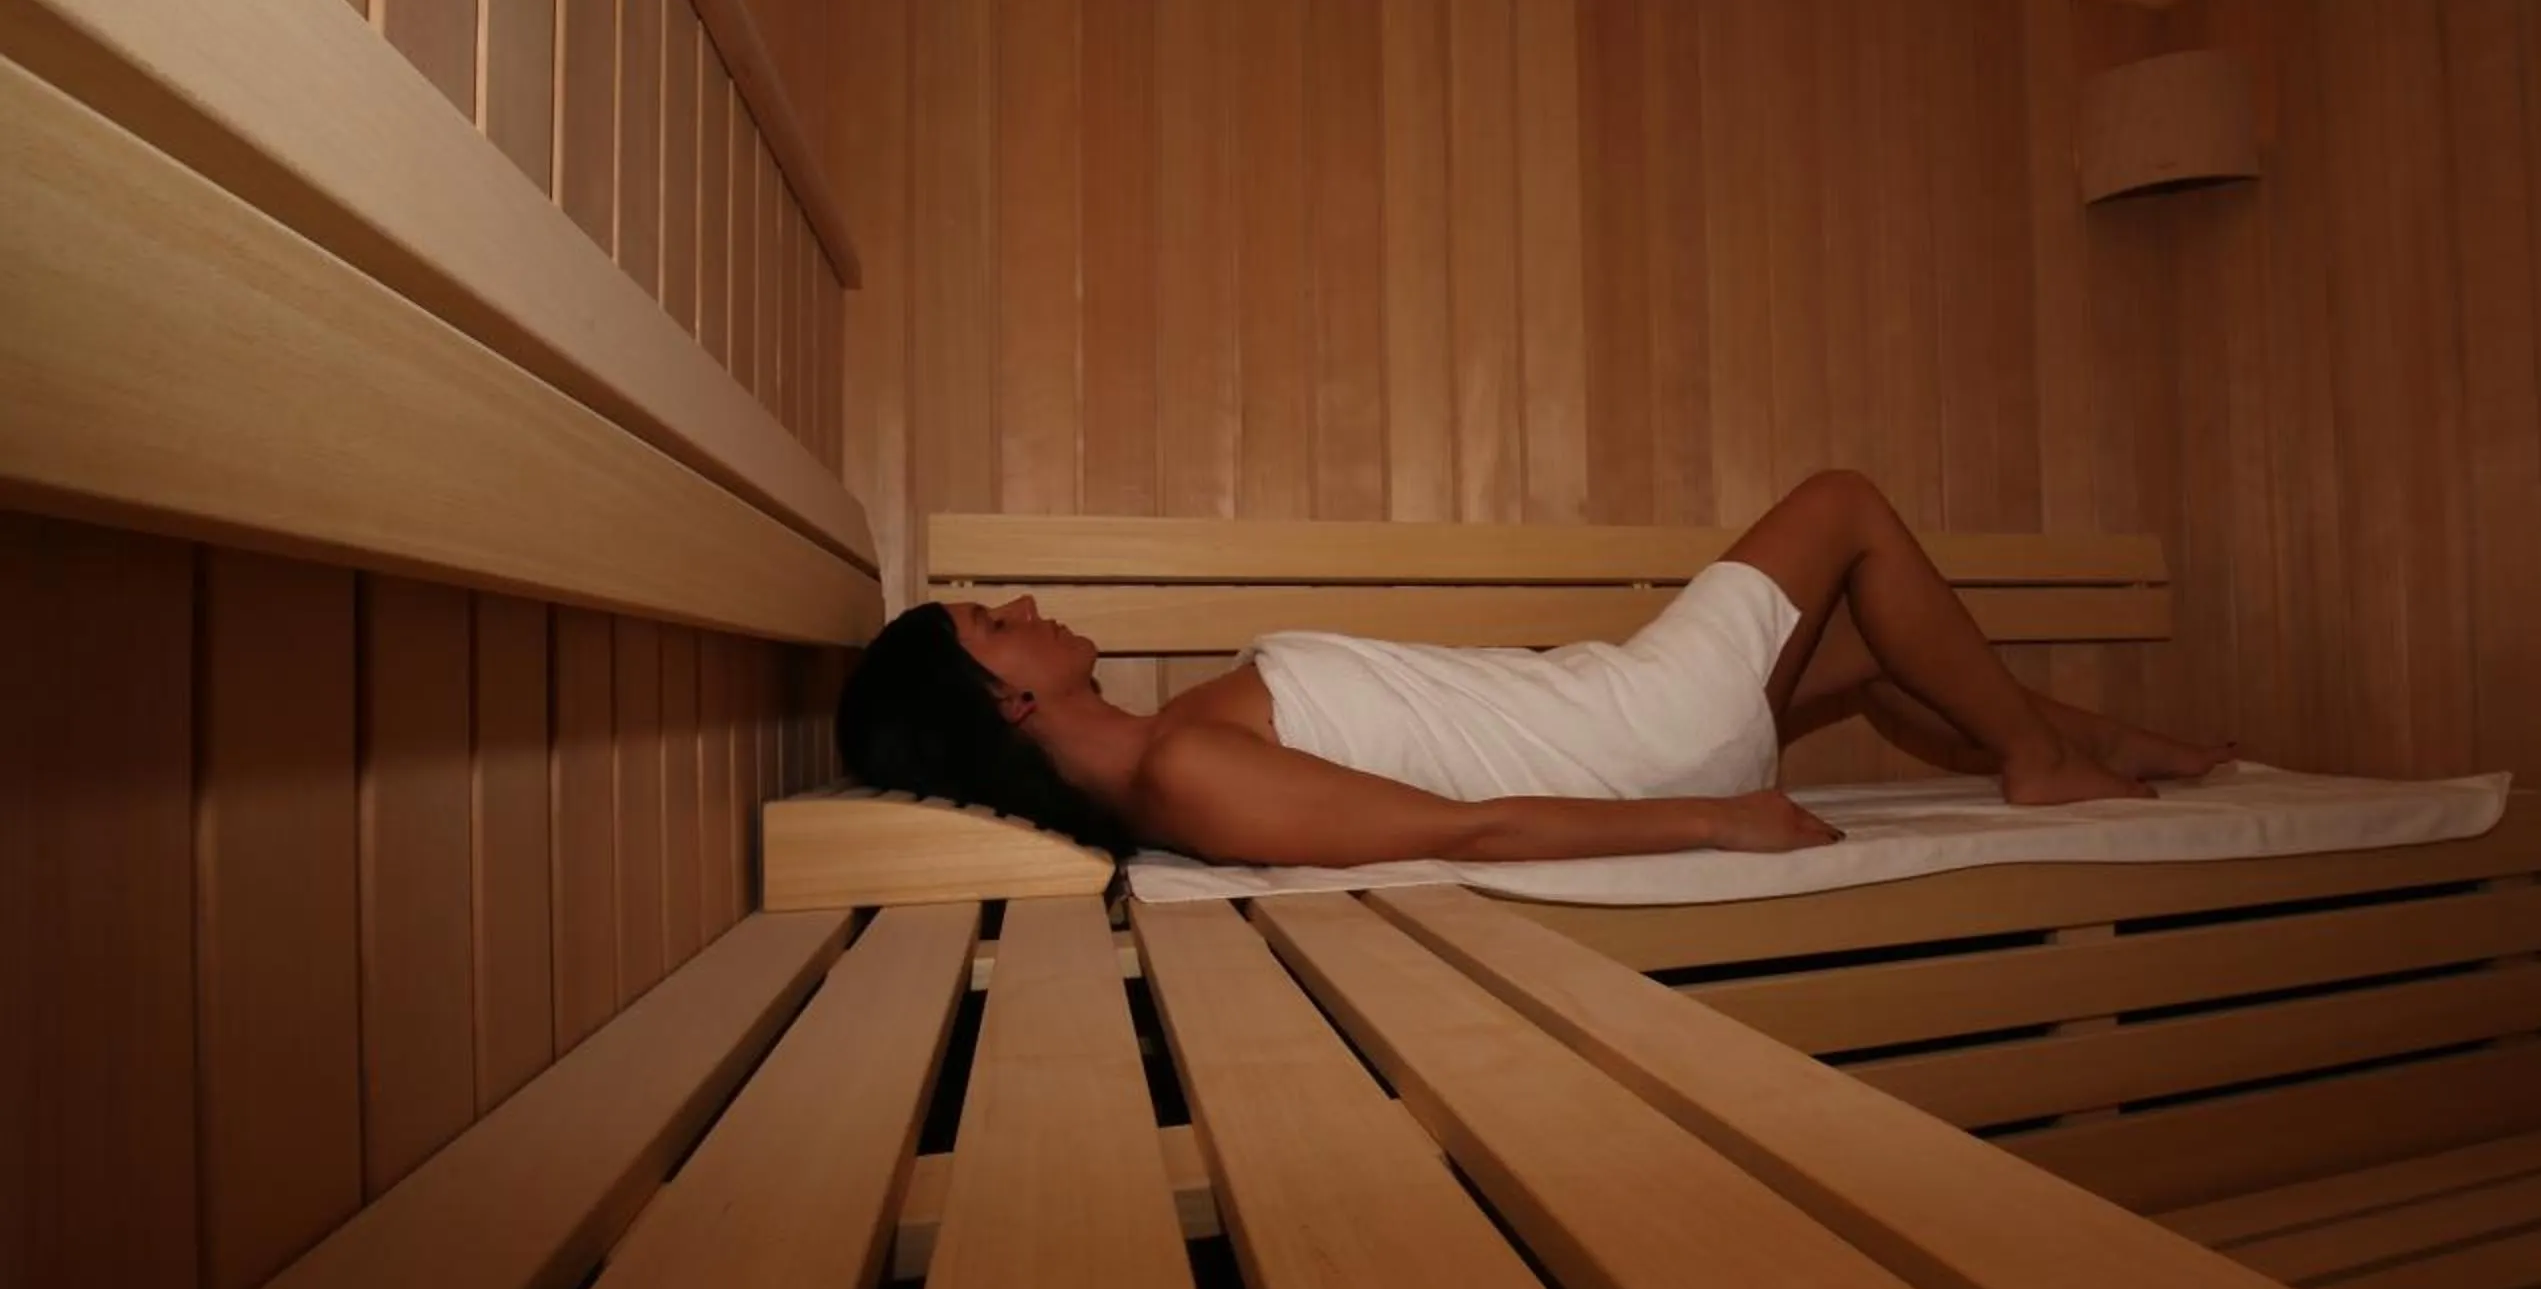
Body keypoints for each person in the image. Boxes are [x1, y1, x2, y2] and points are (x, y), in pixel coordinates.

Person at [837, 469, 2233, 868]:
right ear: (1007, 700)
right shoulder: (1186, 771)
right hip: (1642, 741)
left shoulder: (1178, 748)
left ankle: (2113, 749)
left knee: (1867, 652)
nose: (1018, 601)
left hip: (1619, 709)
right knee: (1845, 508)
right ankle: (2041, 764)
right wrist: (1711, 816)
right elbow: (1462, 830)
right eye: (988, 618)